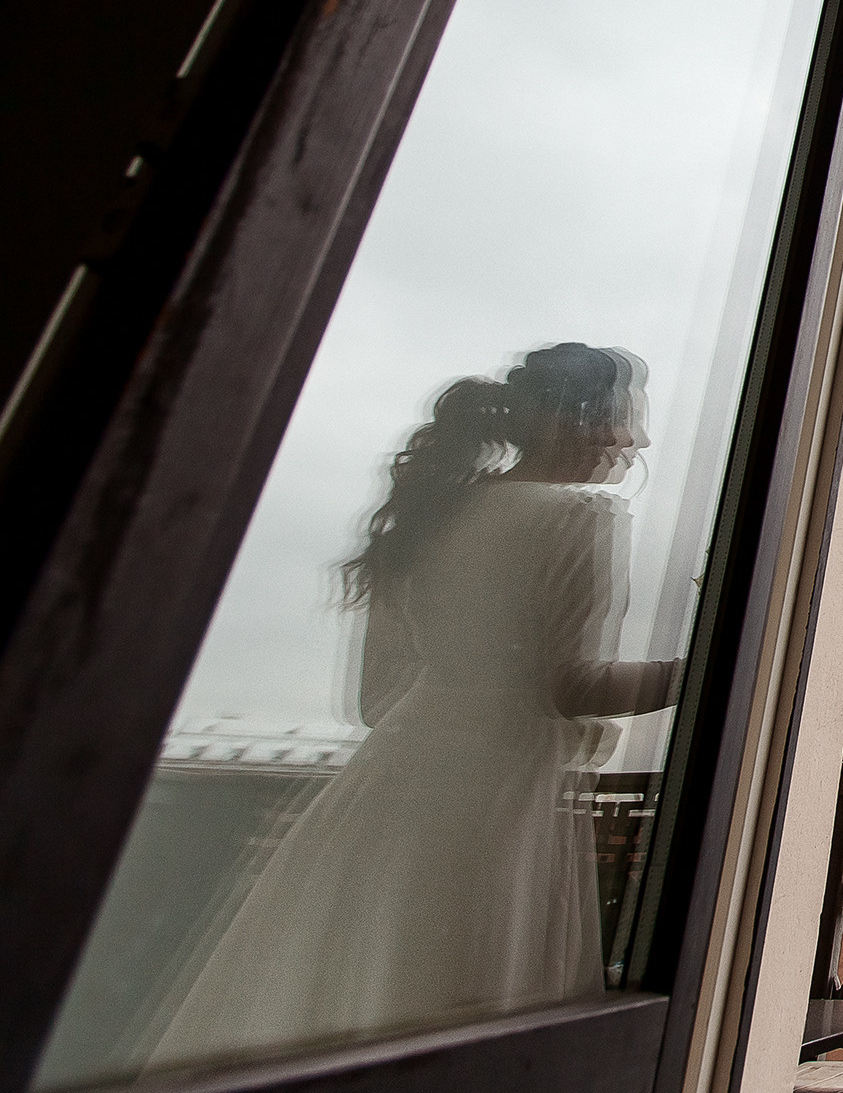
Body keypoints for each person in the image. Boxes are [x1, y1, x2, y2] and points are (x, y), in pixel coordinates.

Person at [153, 344, 681, 1068]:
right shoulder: (579, 516)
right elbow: (572, 689)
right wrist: (700, 666)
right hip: (495, 792)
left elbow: (375, 701)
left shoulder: (434, 510)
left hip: (392, 777)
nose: (637, 440)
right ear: (570, 420)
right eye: (624, 418)